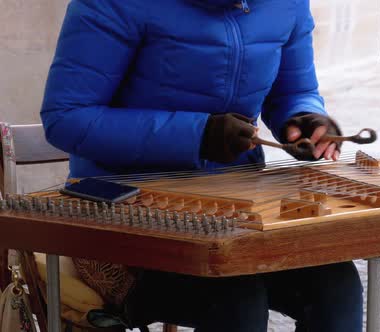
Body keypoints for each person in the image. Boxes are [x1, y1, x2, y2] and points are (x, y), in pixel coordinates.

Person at [40, 0, 363, 331]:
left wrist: (304, 120)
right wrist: (197, 134)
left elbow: (294, 91)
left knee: (336, 287)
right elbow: (66, 117)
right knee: (235, 298)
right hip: (123, 211)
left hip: (236, 210)